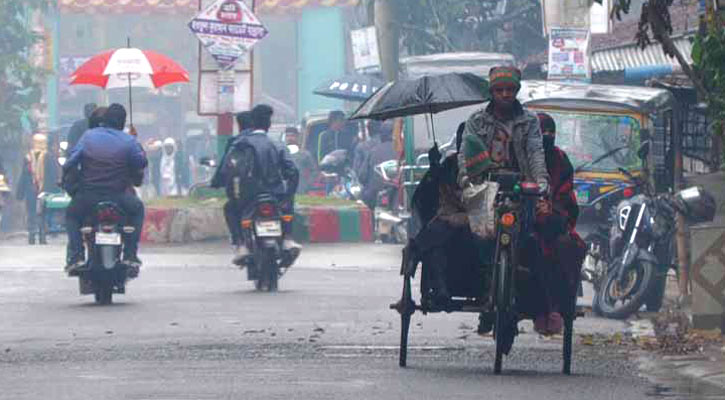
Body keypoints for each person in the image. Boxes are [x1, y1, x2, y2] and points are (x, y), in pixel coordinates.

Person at [457, 66, 554, 334]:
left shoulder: (530, 121)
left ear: (516, 91)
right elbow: (466, 157)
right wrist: (468, 181)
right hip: (486, 187)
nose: (505, 94)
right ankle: (488, 283)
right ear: (492, 92)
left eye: (510, 90)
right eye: (499, 90)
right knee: (479, 237)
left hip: (521, 188)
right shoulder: (476, 120)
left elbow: (536, 154)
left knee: (528, 238)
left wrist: (541, 184)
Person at [63, 103, 147, 274]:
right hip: (119, 197)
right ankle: (130, 254)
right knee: (138, 210)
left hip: (89, 196)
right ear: (122, 123)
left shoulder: (87, 136)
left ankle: (76, 256)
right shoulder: (128, 140)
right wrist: (134, 142)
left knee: (71, 216)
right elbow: (141, 163)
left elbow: (70, 162)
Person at [528, 113, 587, 335]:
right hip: (521, 219)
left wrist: (550, 208)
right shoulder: (518, 155)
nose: (547, 137)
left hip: (552, 222)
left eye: (551, 133)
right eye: (542, 133)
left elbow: (566, 196)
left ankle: (558, 306)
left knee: (566, 246)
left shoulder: (560, 160)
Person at [220, 104, 301, 264]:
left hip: (247, 197)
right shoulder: (277, 145)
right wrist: (288, 193)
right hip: (275, 194)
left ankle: (241, 244)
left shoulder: (239, 145)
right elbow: (293, 171)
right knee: (288, 204)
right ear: (269, 125)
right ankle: (287, 238)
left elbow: (227, 171)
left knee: (230, 208)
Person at [16, 133, 59, 245]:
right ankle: (42, 236)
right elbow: (53, 175)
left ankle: (32, 235)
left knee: (31, 212)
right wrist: (55, 189)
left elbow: (24, 176)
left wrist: (20, 193)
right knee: (43, 212)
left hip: (31, 189)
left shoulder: (28, 157)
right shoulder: (48, 156)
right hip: (45, 189)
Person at [360, 120, 397, 210]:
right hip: (398, 197)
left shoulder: (373, 151)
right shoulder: (403, 151)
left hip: (374, 196)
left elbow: (362, 176)